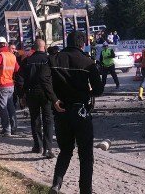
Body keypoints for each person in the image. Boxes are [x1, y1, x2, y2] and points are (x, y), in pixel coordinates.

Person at [48, 31, 104, 194]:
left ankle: (56, 184)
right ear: (82, 44)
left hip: (61, 111)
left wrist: (54, 99)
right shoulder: (87, 62)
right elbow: (99, 89)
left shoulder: (53, 59)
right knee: (86, 154)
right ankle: (85, 190)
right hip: (81, 111)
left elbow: (45, 80)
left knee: (65, 150)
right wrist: (88, 92)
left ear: (67, 42)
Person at [19, 38, 57, 159]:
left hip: (31, 93)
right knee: (48, 120)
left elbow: (20, 79)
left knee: (35, 119)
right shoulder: (48, 60)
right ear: (44, 47)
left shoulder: (27, 61)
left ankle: (37, 145)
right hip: (46, 93)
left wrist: (22, 95)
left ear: (34, 48)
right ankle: (48, 148)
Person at [0, 36, 20, 136]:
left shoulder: (0, 55)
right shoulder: (12, 55)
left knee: (3, 108)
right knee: (11, 107)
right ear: (5, 44)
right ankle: (14, 128)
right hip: (10, 85)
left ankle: (6, 130)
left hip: (2, 85)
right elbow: (17, 69)